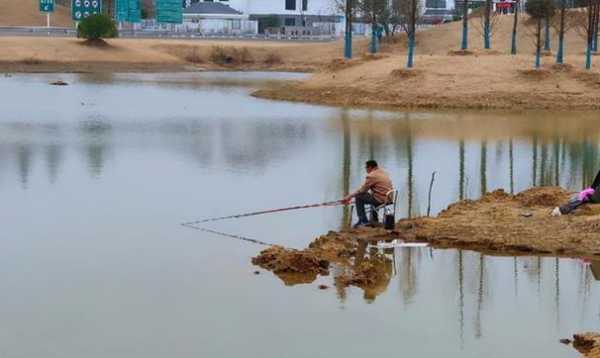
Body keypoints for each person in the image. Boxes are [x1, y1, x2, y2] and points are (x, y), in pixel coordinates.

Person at [343, 160, 394, 228]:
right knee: (371, 195)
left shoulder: (372, 176)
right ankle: (374, 219)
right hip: (389, 198)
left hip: (381, 199)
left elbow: (362, 190)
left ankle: (363, 221)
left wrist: (350, 196)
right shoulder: (383, 172)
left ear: (370, 167)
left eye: (366, 168)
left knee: (358, 196)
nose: (366, 169)